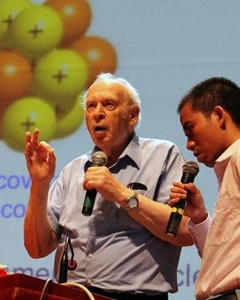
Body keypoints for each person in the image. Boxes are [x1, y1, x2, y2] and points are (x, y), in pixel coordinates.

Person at [24, 73, 194, 300]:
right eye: (91, 106)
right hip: (72, 295)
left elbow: (184, 232)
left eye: (109, 104)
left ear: (132, 115)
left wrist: (121, 193)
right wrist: (39, 185)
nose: (97, 113)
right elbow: (37, 249)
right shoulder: (72, 171)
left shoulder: (163, 155)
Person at [169, 77, 240, 300]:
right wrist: (200, 217)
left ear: (219, 116)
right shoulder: (235, 165)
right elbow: (224, 261)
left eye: (190, 129)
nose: (189, 144)